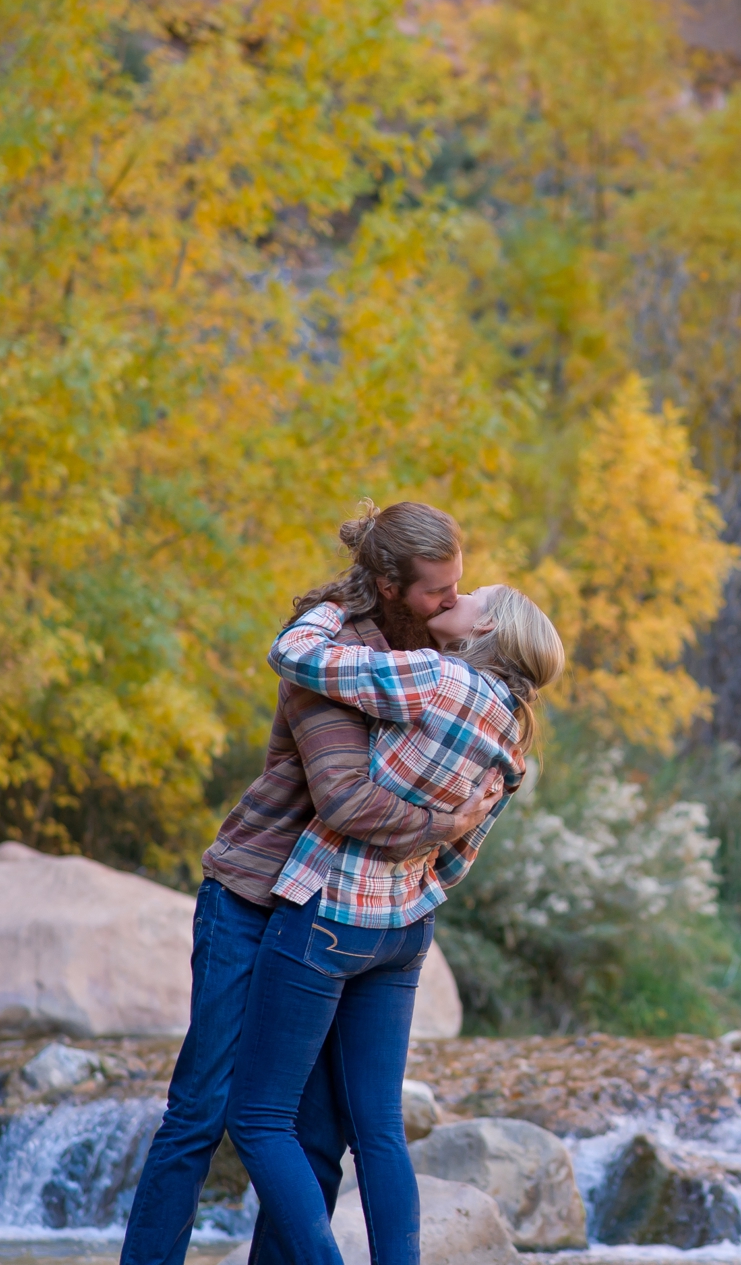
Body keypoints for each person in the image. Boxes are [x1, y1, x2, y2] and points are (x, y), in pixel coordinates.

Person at [120, 501, 495, 1265]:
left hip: (334, 913)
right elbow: (345, 799)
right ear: (389, 583)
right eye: (437, 590)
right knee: (202, 1111)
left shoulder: (433, 654)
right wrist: (446, 830)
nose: (454, 602)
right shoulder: (334, 654)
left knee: (318, 1130)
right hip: (254, 896)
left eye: (458, 586)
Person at [225, 581, 564, 1265]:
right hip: (403, 934)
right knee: (377, 1131)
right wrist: (404, 891)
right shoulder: (511, 739)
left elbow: (297, 655)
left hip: (327, 912)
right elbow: (456, 860)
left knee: (258, 1118)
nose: (457, 594)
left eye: (471, 594)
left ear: (487, 625)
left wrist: (335, 602)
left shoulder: (436, 678)